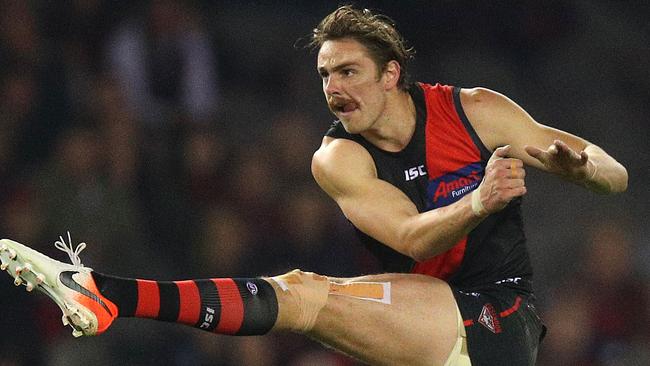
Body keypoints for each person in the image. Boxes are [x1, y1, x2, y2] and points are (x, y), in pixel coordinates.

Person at [0, 5, 628, 366]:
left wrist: (584, 168)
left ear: (391, 75)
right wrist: (481, 199)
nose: (334, 88)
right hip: (417, 304)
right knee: (300, 297)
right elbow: (412, 236)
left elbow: (614, 173)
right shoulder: (336, 158)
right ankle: (101, 295)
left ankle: (106, 293)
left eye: (349, 71)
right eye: (326, 74)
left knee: (307, 297)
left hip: (496, 315)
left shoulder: (474, 111)